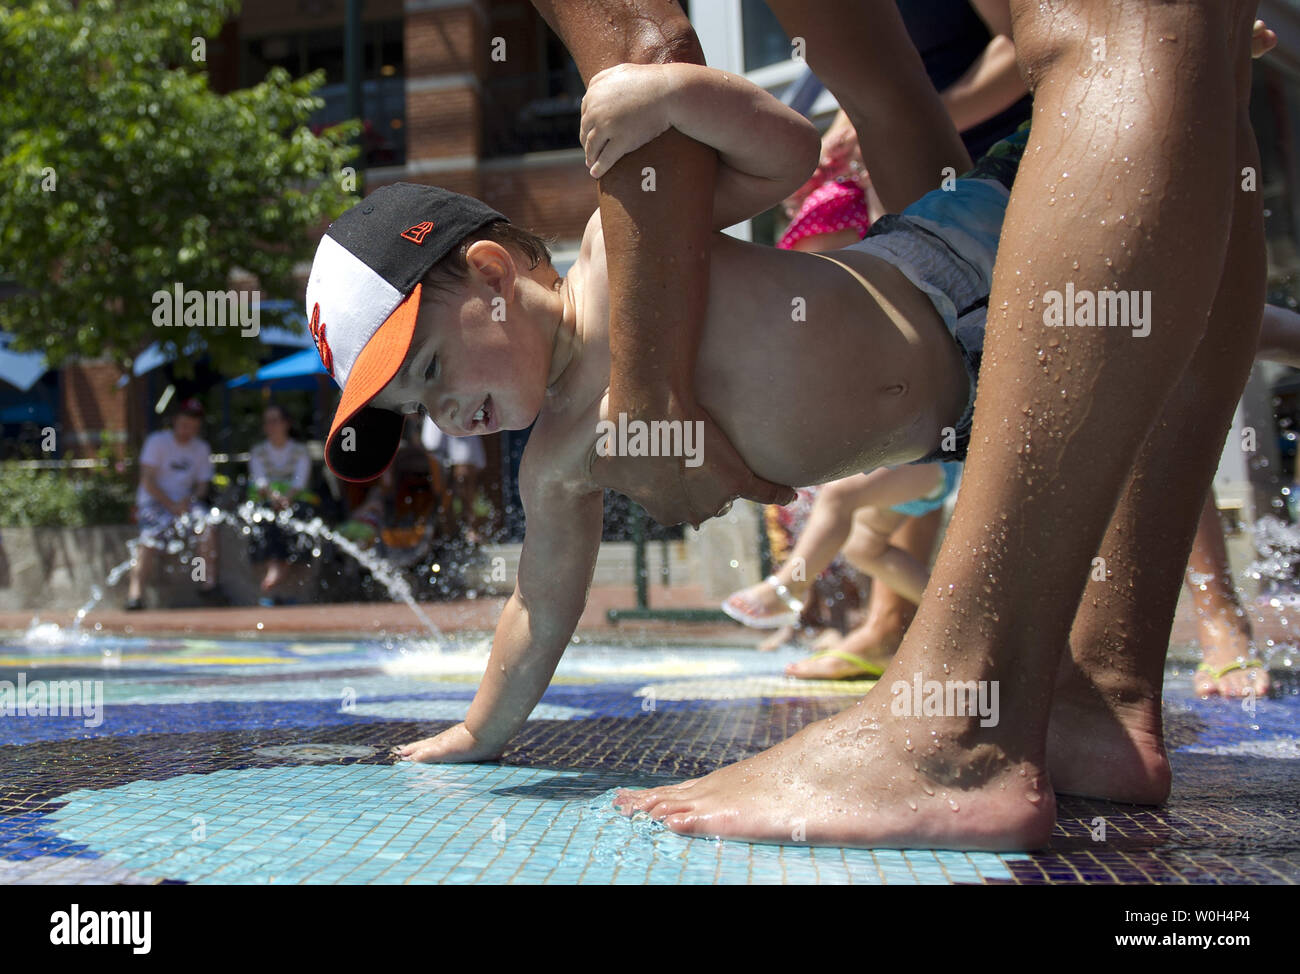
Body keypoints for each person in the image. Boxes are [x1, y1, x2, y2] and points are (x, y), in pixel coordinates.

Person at [614, 2, 1278, 849]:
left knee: (1128, 26)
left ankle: (956, 729)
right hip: (1062, 174)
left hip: (1079, 154)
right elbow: (885, 90)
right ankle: (1097, 695)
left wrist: (648, 384)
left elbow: (643, 49)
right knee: (1182, 49)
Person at [291, 48, 1025, 763]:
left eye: (429, 368)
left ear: (491, 275)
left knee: (1108, 144)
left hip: (959, 259)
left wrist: (678, 95)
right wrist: (479, 732)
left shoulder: (626, 240)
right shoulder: (551, 464)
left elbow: (789, 154)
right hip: (974, 413)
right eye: (417, 407)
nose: (445, 412)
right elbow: (538, 608)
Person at [724, 464, 960, 678]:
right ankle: (963, 610)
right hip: (912, 459)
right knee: (862, 547)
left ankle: (786, 588)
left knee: (838, 495)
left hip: (926, 457)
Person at [124, 398, 222, 610]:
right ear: (176, 421)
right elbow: (147, 481)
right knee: (148, 540)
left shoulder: (201, 448)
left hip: (186, 505)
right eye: (186, 424)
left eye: (194, 427)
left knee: (206, 526)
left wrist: (187, 501)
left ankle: (207, 584)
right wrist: (170, 504)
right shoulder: (157, 442)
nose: (189, 431)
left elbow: (203, 486)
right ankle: (135, 594)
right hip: (155, 503)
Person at [246, 403, 317, 605]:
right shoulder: (258, 451)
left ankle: (282, 569)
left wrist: (287, 498)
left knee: (298, 516)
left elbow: (300, 481)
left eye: (276, 420)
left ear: (286, 423)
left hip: (294, 501)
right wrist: (275, 497)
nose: (271, 426)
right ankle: (275, 568)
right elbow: (260, 480)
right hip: (267, 500)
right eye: (268, 421)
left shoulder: (300, 450)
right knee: (264, 517)